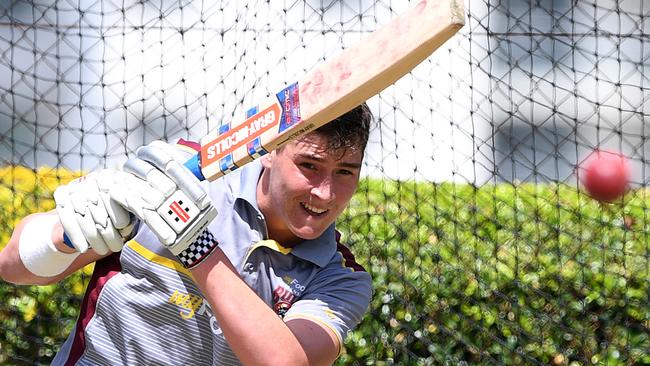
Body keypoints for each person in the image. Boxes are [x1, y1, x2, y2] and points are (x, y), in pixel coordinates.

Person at [0, 103, 374, 366]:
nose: (325, 193)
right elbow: (12, 267)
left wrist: (197, 248)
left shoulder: (341, 276)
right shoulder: (183, 173)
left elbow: (285, 362)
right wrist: (68, 236)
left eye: (345, 172)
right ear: (269, 151)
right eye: (309, 165)